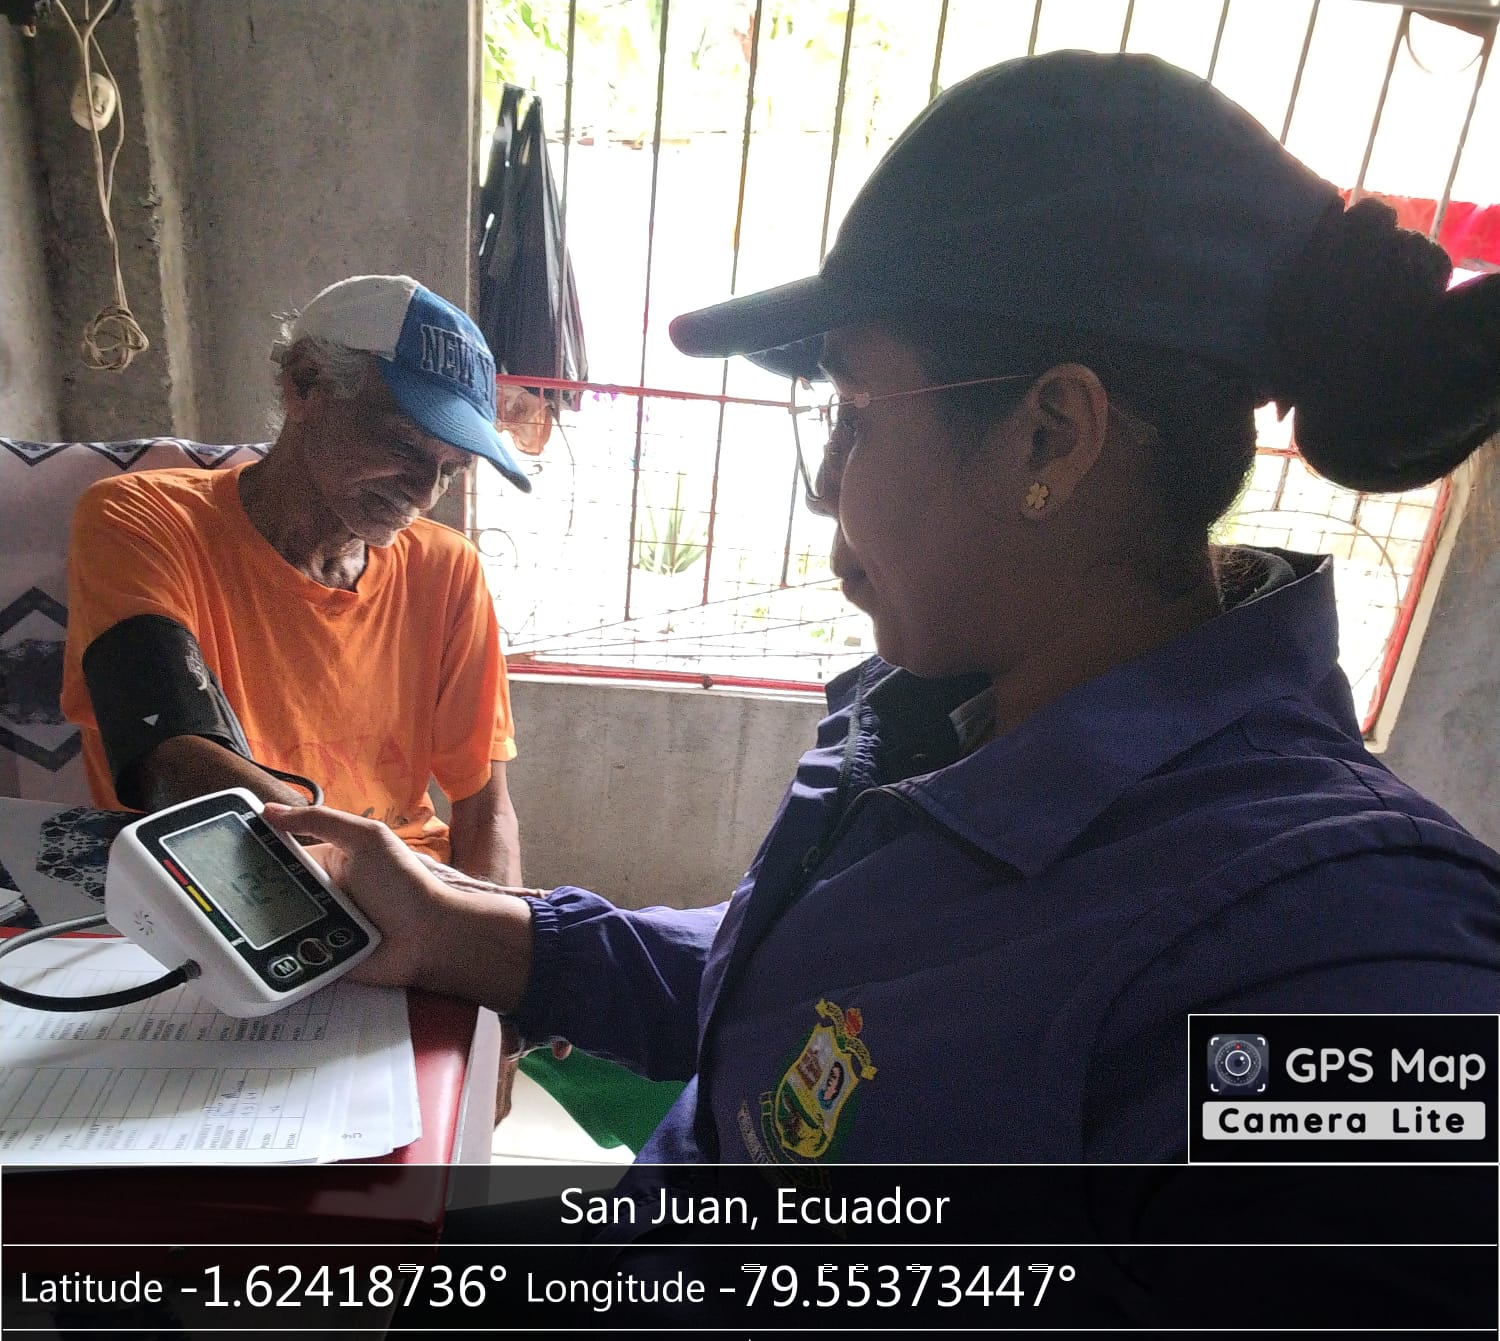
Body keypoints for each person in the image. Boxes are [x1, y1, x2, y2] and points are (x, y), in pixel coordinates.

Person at [266, 52, 1500, 1166]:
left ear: (1051, 436)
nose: (823, 486)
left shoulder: (1348, 962)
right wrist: (457, 924)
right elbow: (808, 1005)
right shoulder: (949, 725)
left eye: (854, 414)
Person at [61, 275, 527, 883]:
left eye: (451, 468)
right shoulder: (142, 518)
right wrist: (376, 883)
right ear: (304, 382)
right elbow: (169, 758)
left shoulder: (448, 568)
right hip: (219, 884)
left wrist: (489, 921)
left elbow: (485, 807)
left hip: (405, 889)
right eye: (403, 444)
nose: (424, 493)